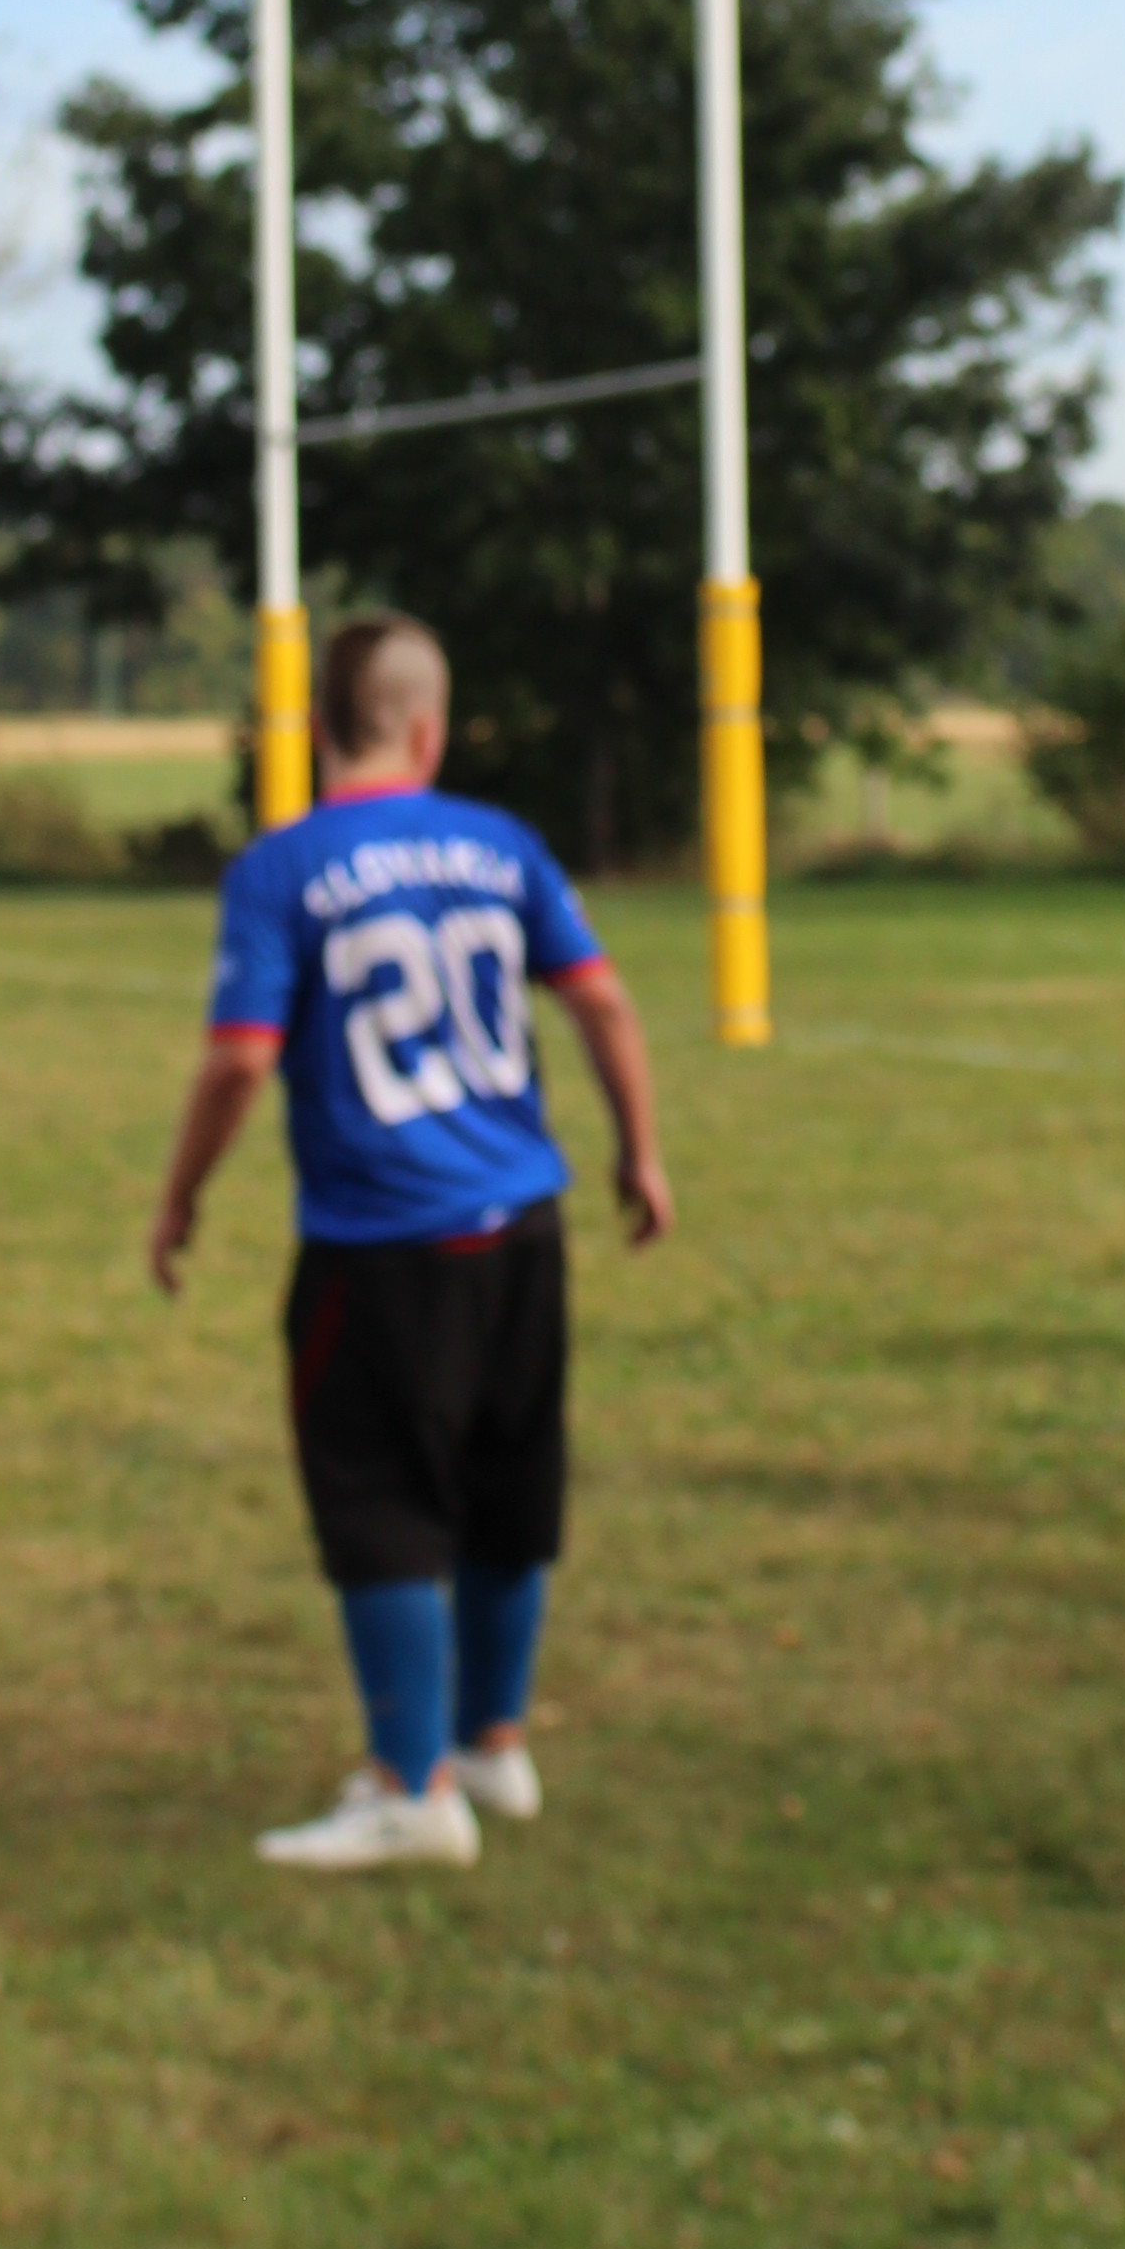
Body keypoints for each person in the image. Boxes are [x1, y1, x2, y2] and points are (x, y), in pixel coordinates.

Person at [146, 609, 674, 1874]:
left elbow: (239, 1059)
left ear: (318, 727)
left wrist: (180, 1197)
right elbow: (601, 999)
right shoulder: (501, 843)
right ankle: (492, 1740)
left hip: (382, 1239)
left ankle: (411, 1784)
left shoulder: (281, 867)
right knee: (508, 1481)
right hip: (522, 1224)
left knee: (380, 1498)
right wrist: (640, 1152)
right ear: (428, 730)